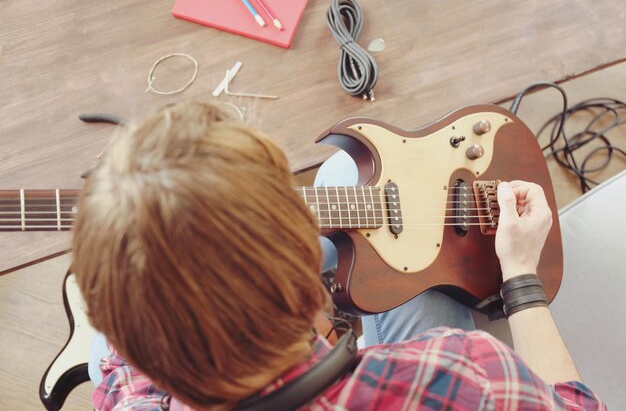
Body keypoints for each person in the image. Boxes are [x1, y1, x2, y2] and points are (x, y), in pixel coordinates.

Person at [73, 101, 605, 411]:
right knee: (342, 175)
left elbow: (121, 360)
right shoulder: (459, 370)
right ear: (316, 288)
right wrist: (520, 278)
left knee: (348, 181)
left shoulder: (132, 395)